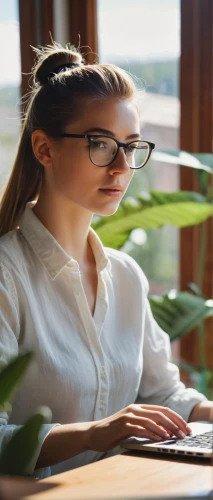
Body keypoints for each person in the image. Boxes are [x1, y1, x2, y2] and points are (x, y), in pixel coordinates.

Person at [0, 42, 212, 479]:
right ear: (44, 148)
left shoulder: (127, 275)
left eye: (131, 146)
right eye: (101, 143)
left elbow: (163, 392)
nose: (121, 166)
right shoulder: (7, 275)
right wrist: (95, 432)